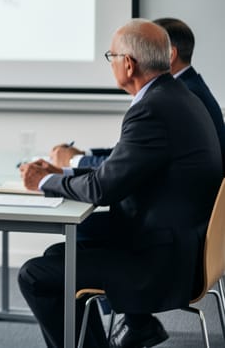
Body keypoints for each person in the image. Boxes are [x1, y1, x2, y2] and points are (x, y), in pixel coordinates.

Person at [17, 19, 222, 348]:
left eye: (111, 56)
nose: (110, 62)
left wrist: (45, 182)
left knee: (35, 275)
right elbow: (121, 169)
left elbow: (103, 189)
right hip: (179, 244)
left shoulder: (153, 108)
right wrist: (63, 175)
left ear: (128, 64)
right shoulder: (175, 96)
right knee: (59, 255)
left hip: (159, 263)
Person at [50, 17, 225, 170]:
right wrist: (82, 155)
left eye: (153, 49)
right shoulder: (184, 90)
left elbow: (120, 170)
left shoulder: (168, 99)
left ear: (169, 54)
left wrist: (73, 161)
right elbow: (133, 153)